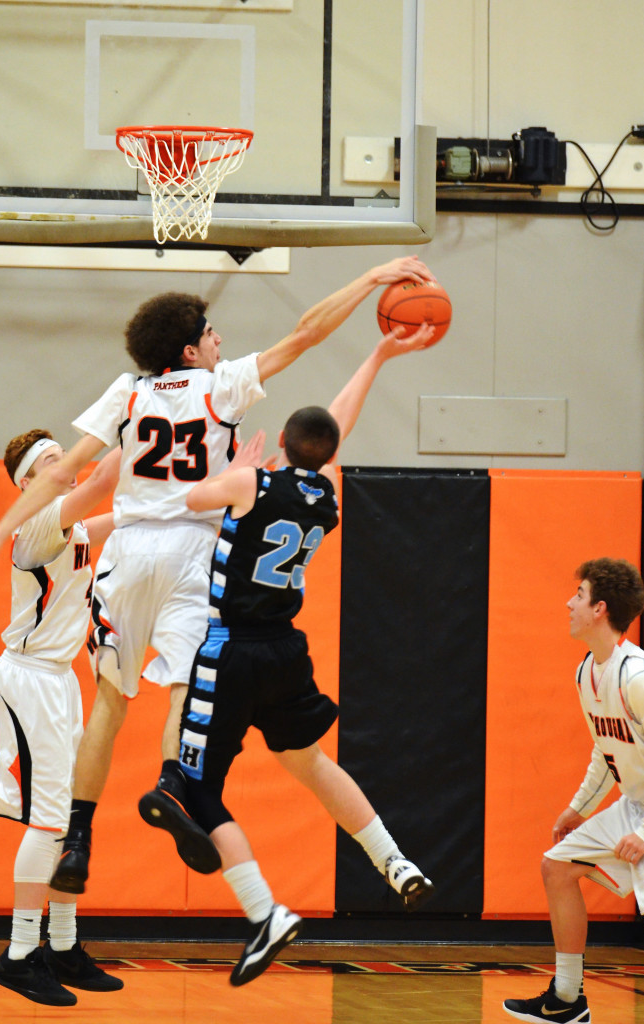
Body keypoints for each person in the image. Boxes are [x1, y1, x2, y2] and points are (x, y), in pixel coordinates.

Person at [0, 256, 434, 897]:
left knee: (110, 703)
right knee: (185, 682)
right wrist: (372, 278)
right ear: (189, 348)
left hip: (128, 552)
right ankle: (173, 783)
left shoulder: (127, 391)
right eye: (210, 333)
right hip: (194, 555)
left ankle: (78, 837)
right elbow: (307, 333)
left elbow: (65, 474)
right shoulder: (223, 390)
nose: (219, 340)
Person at [139, 323, 437, 987]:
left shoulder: (252, 484)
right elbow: (338, 425)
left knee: (195, 791)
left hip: (231, 650)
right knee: (311, 762)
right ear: (326, 454)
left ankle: (264, 912)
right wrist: (378, 355)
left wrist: (234, 471)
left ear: (280, 441)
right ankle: (394, 861)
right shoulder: (326, 494)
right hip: (286, 652)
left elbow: (192, 497)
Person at [0, 429, 122, 1007]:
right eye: (51, 460)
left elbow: (125, 516)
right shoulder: (38, 523)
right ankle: (18, 955)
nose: (65, 462)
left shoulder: (75, 527)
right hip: (29, 678)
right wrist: (151, 411)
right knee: (48, 822)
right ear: (27, 484)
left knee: (71, 819)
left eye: (62, 454)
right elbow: (105, 477)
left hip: (60, 679)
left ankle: (62, 945)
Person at [503, 558, 644, 1024]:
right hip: (636, 804)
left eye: (578, 595)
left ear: (600, 609)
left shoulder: (638, 678)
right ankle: (566, 999)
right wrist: (578, 808)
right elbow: (605, 750)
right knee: (557, 868)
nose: (568, 603)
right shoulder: (587, 672)